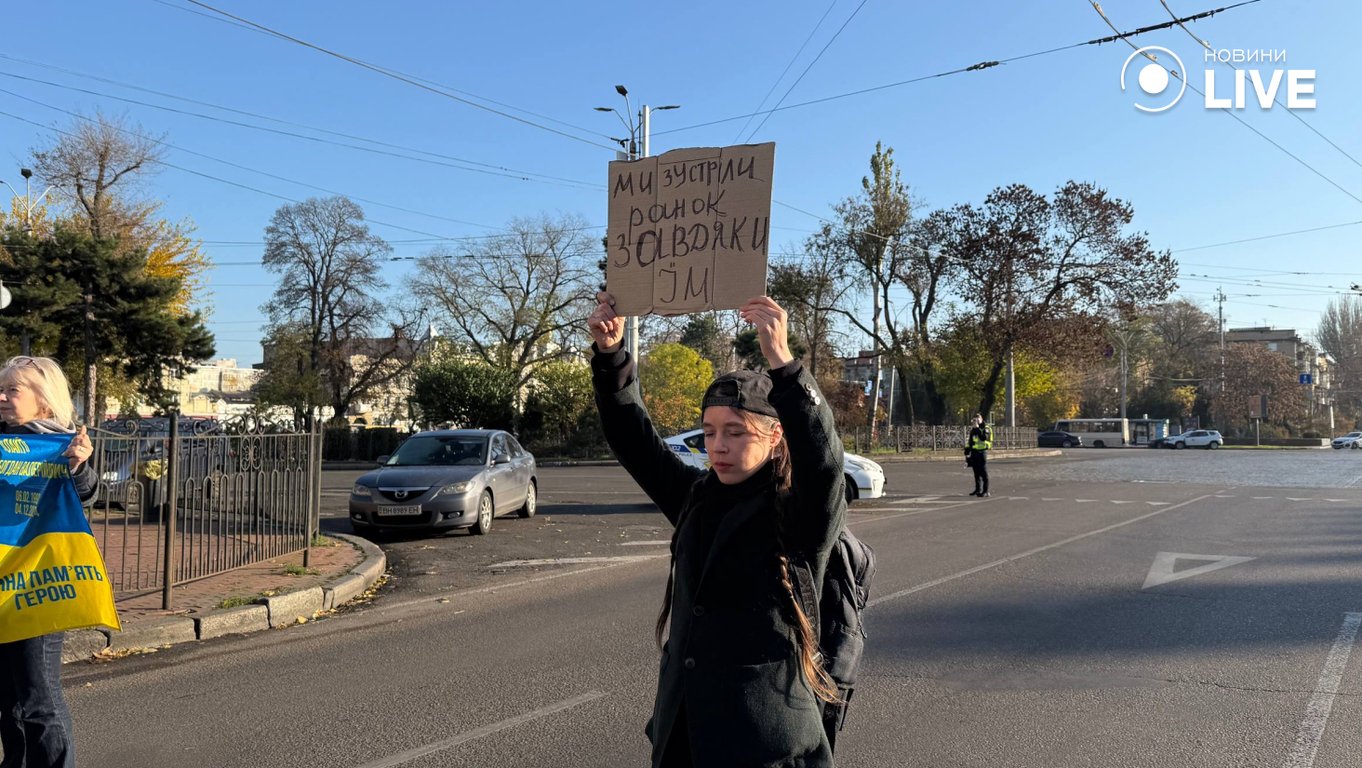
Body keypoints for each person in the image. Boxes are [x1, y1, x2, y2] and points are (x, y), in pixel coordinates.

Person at [588, 294, 846, 767]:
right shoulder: (695, 496)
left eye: (735, 432)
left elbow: (825, 465)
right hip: (683, 737)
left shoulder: (800, 514)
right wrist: (612, 356)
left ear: (774, 436)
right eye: (709, 432)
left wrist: (784, 365)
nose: (717, 446)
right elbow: (635, 441)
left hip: (761, 746)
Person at [0, 356, 95, 768]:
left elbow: (84, 498)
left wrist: (78, 466)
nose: (1, 396)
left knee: (39, 700)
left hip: (40, 587)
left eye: (12, 390)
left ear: (42, 400)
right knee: (8, 701)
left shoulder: (65, 445)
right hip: (3, 585)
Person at [965, 412, 992, 497]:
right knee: (976, 472)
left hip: (982, 452)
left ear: (981, 419)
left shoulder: (986, 428)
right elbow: (970, 441)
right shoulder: (973, 429)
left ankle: (985, 490)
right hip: (974, 452)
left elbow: (983, 438)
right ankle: (977, 489)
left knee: (983, 472)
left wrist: (977, 428)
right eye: (974, 420)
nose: (976, 421)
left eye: (978, 419)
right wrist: (967, 451)